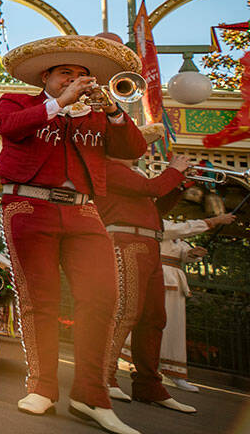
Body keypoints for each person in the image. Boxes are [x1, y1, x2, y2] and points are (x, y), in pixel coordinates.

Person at [0, 34, 148, 434]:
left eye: (82, 75)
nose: (76, 80)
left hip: (83, 210)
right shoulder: (19, 101)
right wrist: (58, 104)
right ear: (46, 77)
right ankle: (42, 388)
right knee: (39, 300)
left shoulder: (98, 113)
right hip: (29, 205)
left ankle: (91, 396)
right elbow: (7, 128)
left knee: (102, 299)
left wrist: (113, 108)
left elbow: (132, 149)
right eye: (66, 73)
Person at [95, 126, 196, 412]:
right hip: (126, 241)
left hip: (149, 243)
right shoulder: (108, 168)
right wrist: (174, 171)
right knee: (125, 312)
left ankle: (149, 385)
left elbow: (155, 208)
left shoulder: (133, 176)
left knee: (154, 317)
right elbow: (150, 189)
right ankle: (104, 376)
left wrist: (178, 184)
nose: (139, 150)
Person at [150, 212, 235, 391]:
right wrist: (214, 221)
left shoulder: (177, 236)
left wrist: (192, 253)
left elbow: (183, 252)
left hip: (175, 281)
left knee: (174, 327)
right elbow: (181, 229)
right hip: (158, 276)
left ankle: (173, 371)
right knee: (150, 323)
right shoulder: (156, 221)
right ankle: (127, 361)